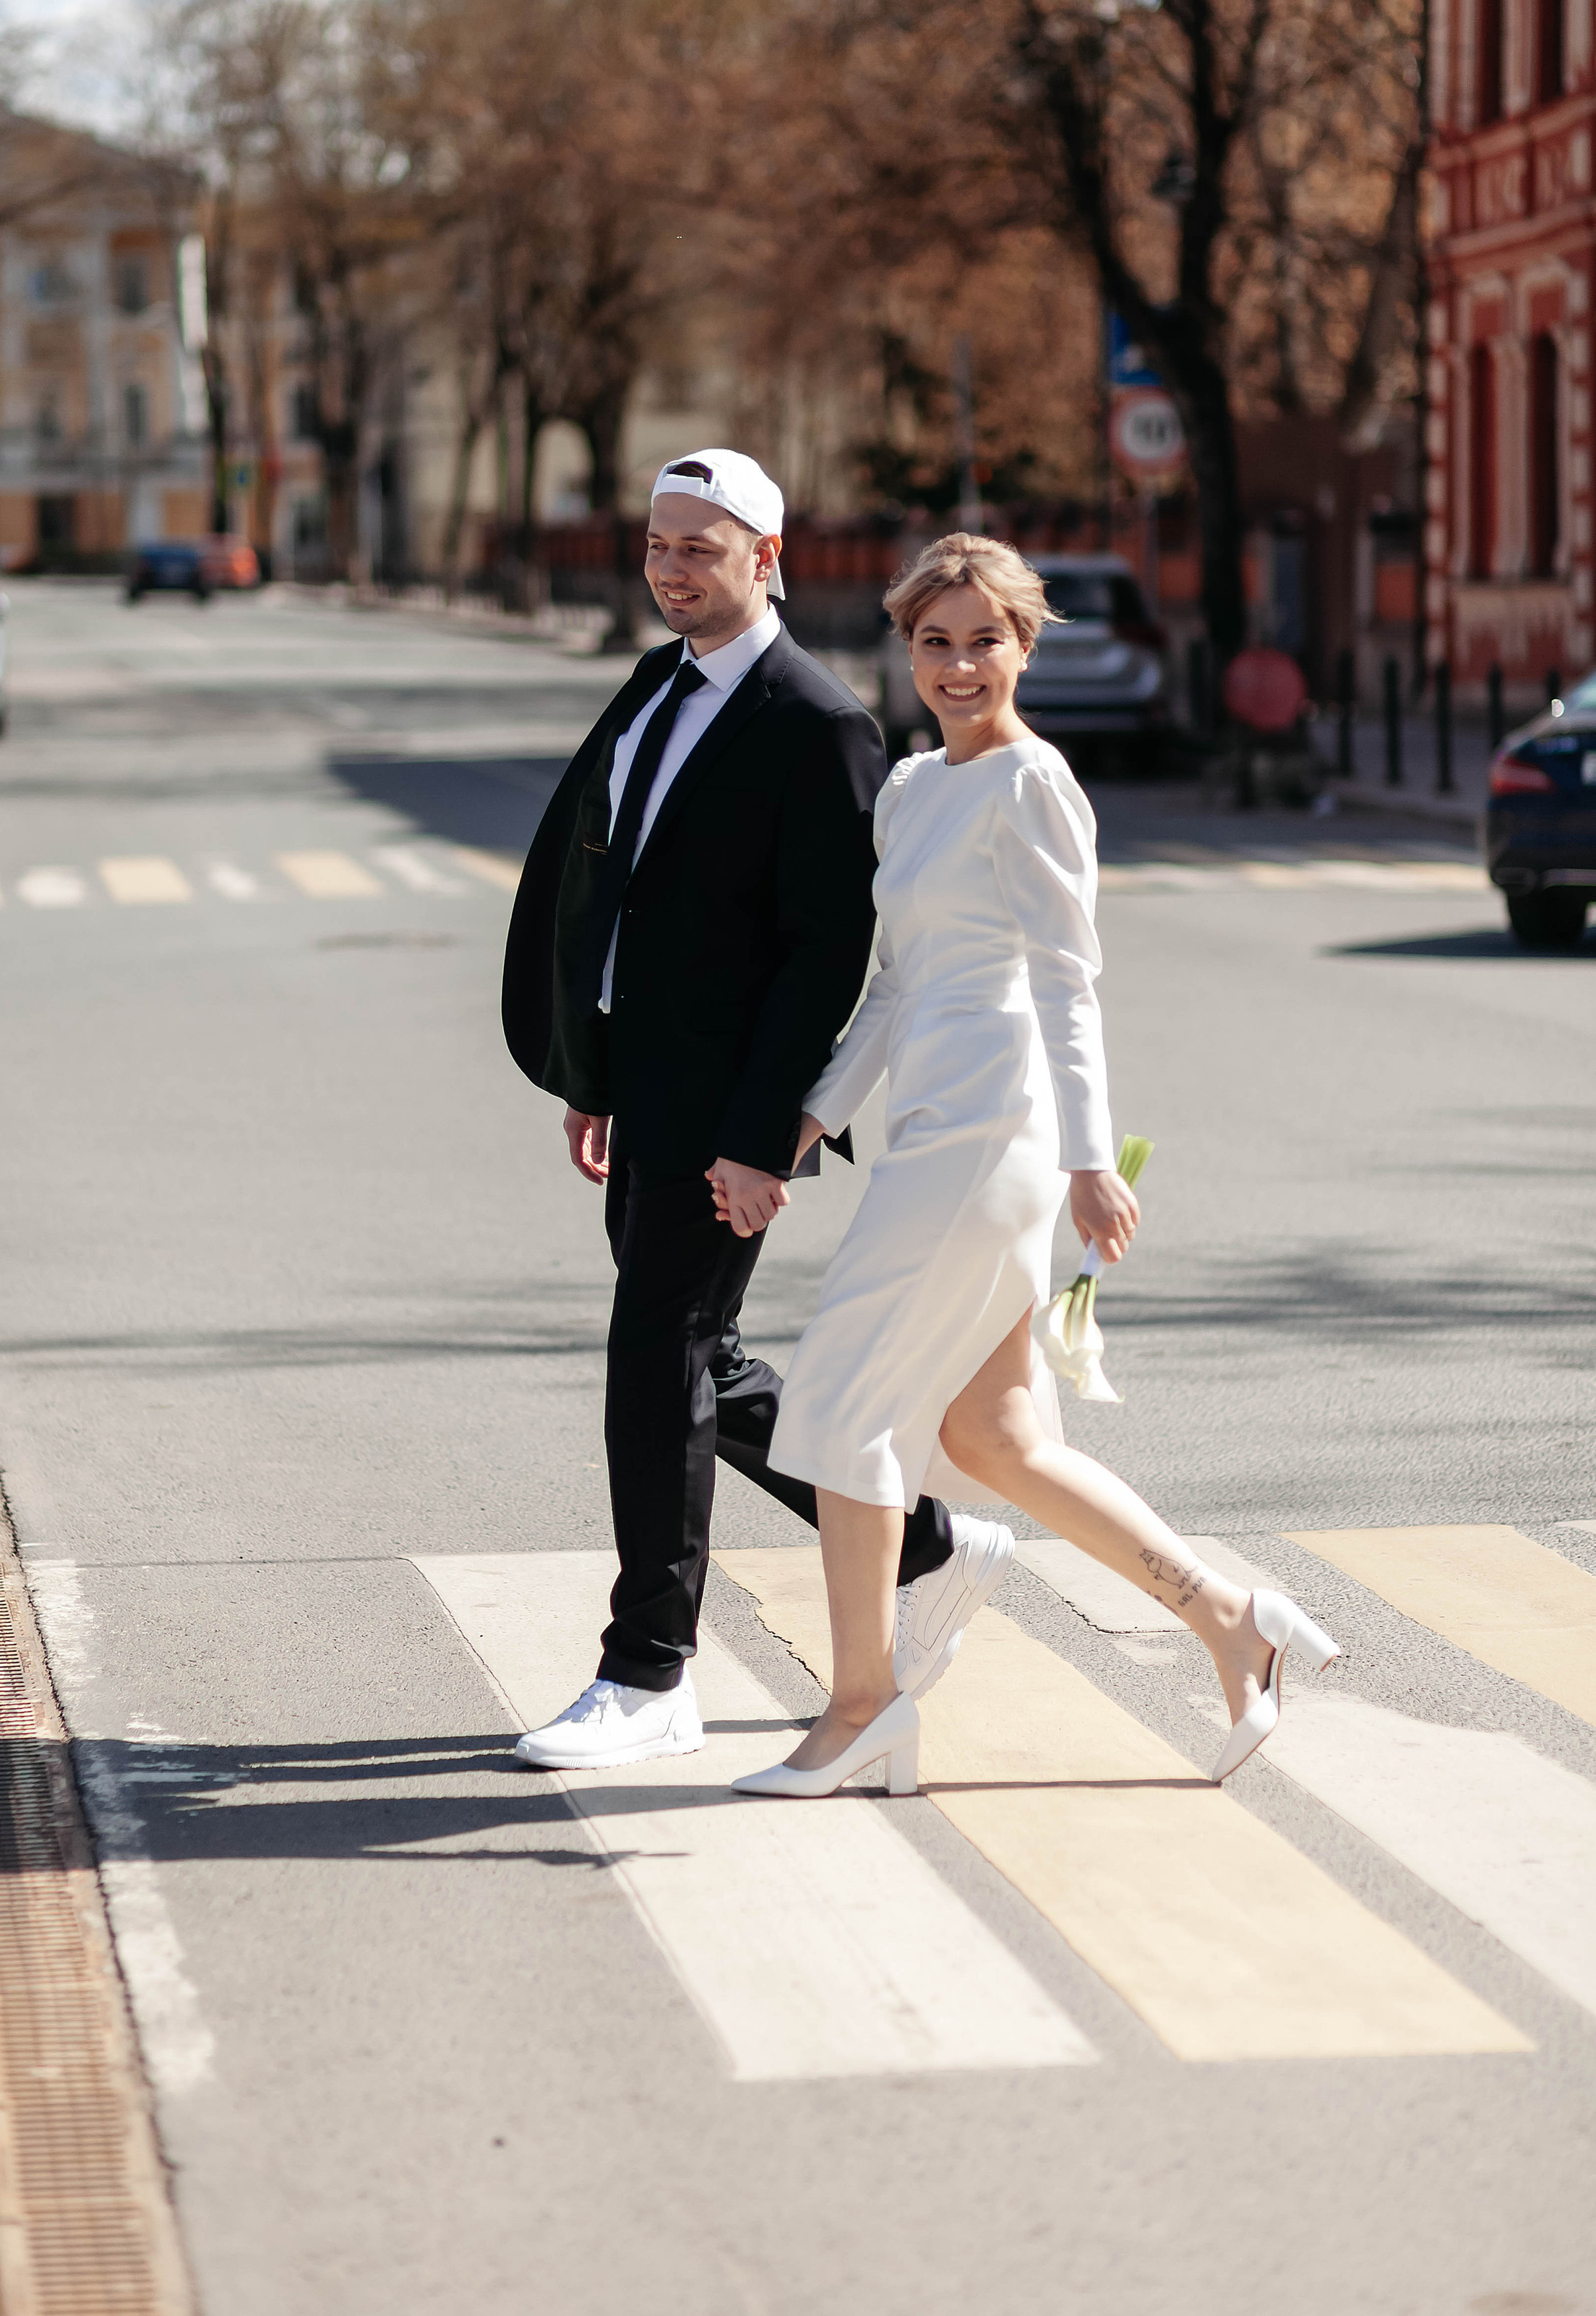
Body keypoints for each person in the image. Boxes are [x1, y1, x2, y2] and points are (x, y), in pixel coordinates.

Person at [732, 532, 1342, 1803]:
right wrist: (803, 1118)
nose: (961, 667)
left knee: (843, 1409)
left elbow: (1071, 985)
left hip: (993, 1142)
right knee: (994, 1437)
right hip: (926, 1127)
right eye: (937, 642)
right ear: (907, 649)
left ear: (1026, 644)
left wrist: (1084, 1161)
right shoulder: (907, 792)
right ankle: (1236, 1619)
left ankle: (861, 1708)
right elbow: (895, 988)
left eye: (986, 640)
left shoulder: (1034, 785)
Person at [501, 453, 1016, 1772]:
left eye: (702, 549)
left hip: (726, 1107)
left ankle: (649, 1670)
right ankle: (927, 1543)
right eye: (660, 545)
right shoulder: (658, 680)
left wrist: (757, 1134)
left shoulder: (816, 722)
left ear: (767, 558)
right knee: (703, 1362)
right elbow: (608, 885)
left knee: (652, 1363)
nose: (672, 569)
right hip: (647, 1086)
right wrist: (589, 1070)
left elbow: (822, 957)